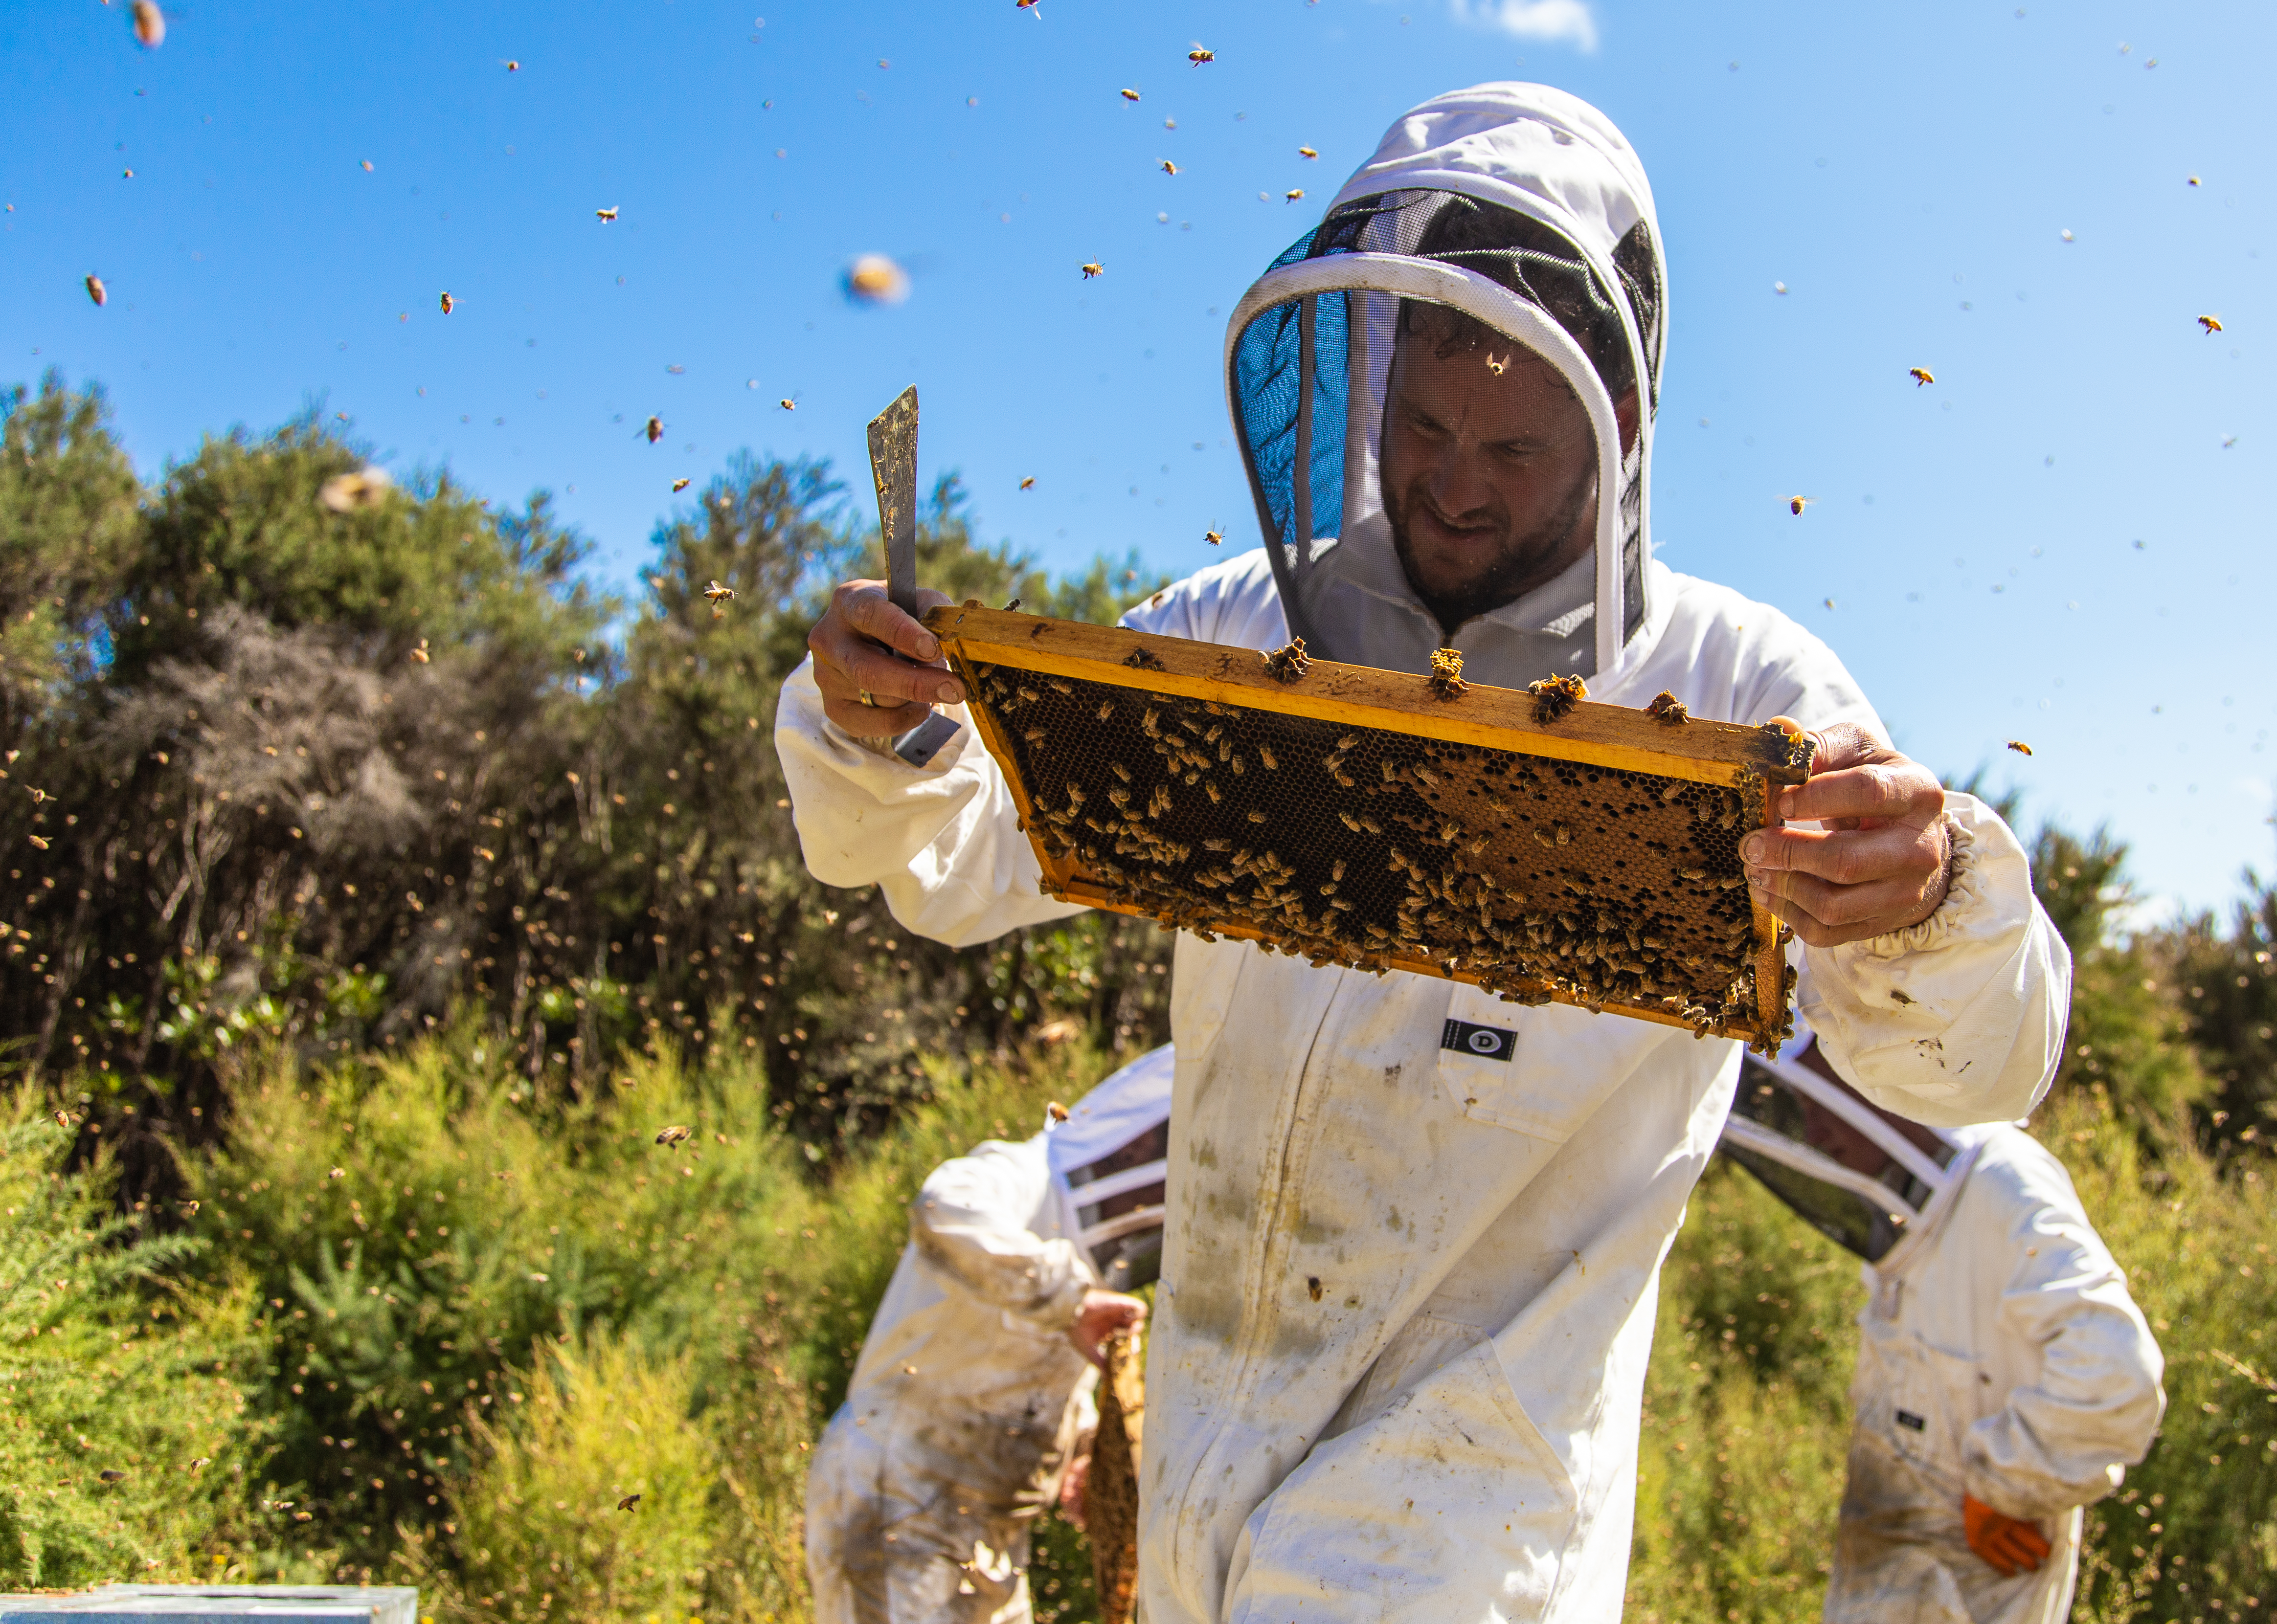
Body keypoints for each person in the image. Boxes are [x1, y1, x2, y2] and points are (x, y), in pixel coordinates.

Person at [780, 82, 2073, 1622]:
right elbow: (950, 857)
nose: (1461, 481)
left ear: (1615, 426)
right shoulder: (1227, 631)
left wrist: (1932, 905)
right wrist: (887, 727)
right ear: (1364, 385)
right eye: (1428, 425)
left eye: (1516, 446)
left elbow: (1973, 1066)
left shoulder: (1744, 690)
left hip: (1468, 1525)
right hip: (1210, 1448)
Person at [1724, 1035, 2164, 1624]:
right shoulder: (1908, 1221)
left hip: (1977, 1593)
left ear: (1872, 1076)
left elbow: (2115, 1370)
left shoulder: (2001, 1181)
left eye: (1821, 1107)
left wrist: (2006, 1488)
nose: (1815, 1134)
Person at [805, 1044, 1172, 1624]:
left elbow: (1028, 1379)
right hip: (897, 1508)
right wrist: (1065, 1299)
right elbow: (943, 1205)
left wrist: (1082, 1457)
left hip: (991, 1539)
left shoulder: (1086, 1278)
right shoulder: (1024, 1175)